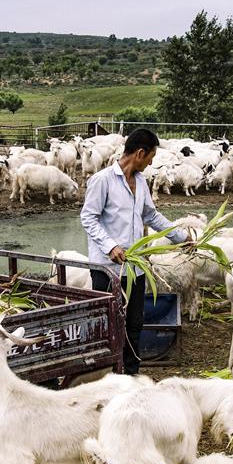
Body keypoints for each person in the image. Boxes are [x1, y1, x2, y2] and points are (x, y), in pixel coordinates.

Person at [80, 128, 189, 374]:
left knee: (134, 323)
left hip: (135, 267)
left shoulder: (140, 181)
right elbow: (88, 218)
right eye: (150, 157)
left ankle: (130, 372)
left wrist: (180, 236)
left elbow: (150, 215)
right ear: (140, 153)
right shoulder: (102, 180)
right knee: (109, 322)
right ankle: (106, 371)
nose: (151, 163)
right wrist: (110, 246)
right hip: (107, 269)